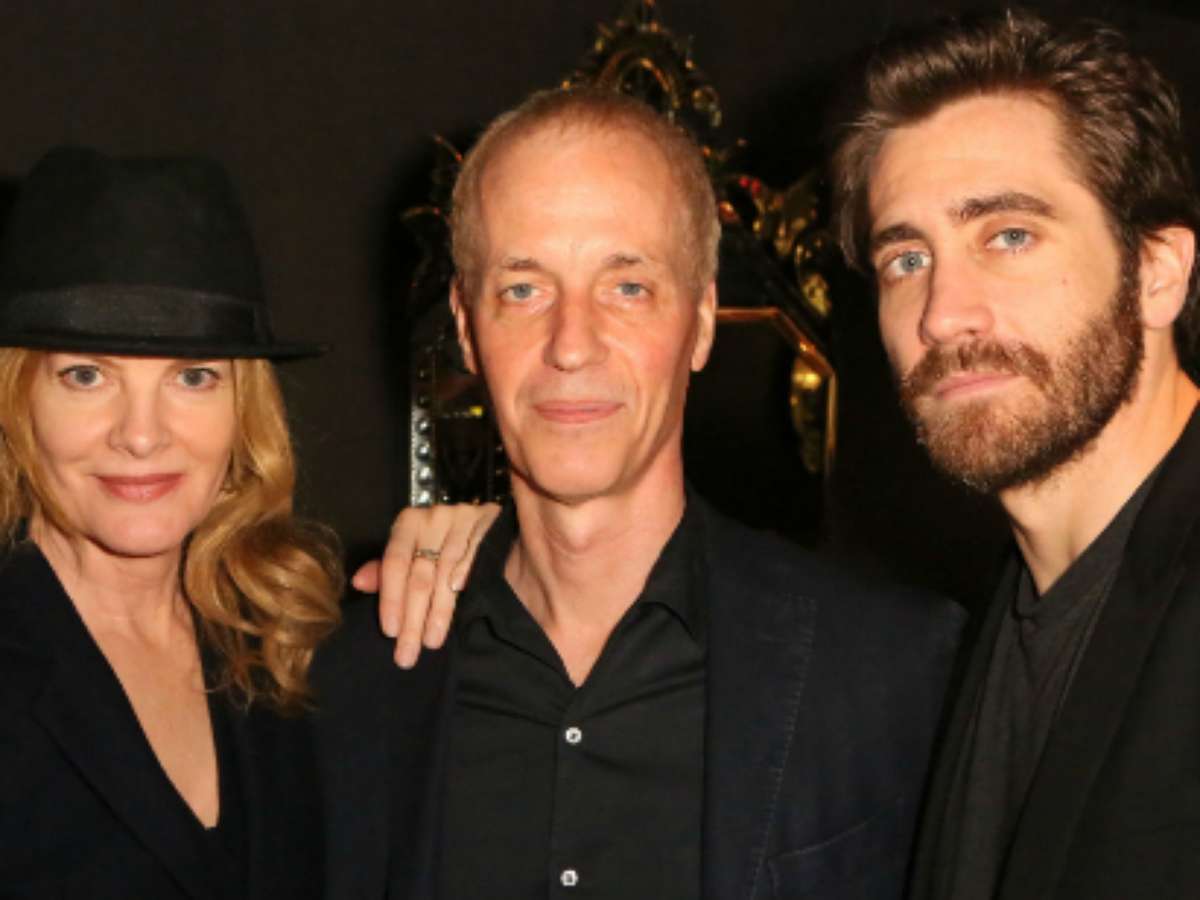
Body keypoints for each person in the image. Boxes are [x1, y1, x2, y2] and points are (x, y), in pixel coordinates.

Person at [315, 86, 963, 900]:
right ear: (467, 327)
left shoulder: (892, 669)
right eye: (523, 289)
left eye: (626, 287)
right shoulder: (350, 688)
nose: (571, 346)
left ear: (701, 321)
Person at [827, 8, 1200, 899]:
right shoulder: (979, 631)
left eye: (1009, 235)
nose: (942, 313)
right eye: (907, 259)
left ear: (1157, 272)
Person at [0, 146, 341, 898]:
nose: (142, 435)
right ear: (19, 401)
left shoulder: (286, 642)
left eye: (192, 376)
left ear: (243, 410)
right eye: (86, 376)